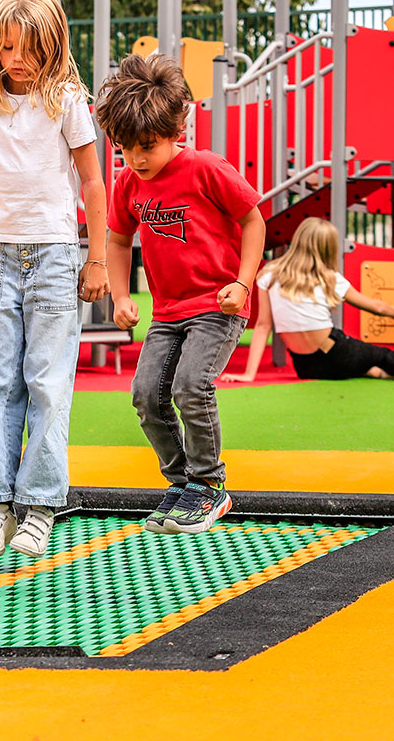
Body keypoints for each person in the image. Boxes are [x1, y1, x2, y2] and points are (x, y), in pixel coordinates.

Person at [0, 0, 110, 559]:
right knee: (0, 379)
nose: (14, 61)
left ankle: (39, 504)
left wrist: (96, 257)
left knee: (47, 379)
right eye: (5, 47)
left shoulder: (67, 101)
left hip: (53, 254)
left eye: (28, 50)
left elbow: (93, 181)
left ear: (52, 46)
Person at [95, 53, 265, 535]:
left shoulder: (207, 169)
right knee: (147, 395)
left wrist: (243, 281)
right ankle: (183, 484)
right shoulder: (128, 182)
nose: (138, 158)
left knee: (191, 385)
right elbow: (118, 239)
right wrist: (122, 295)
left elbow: (253, 219)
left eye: (148, 146)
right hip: (168, 312)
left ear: (176, 131)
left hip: (217, 304)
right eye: (126, 148)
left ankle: (210, 487)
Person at [223, 217, 394, 383]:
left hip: (305, 366)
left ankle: (373, 372)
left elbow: (262, 326)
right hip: (334, 351)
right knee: (381, 354)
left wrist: (249, 374)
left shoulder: (268, 275)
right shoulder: (329, 278)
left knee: (359, 364)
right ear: (329, 249)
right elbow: (374, 306)